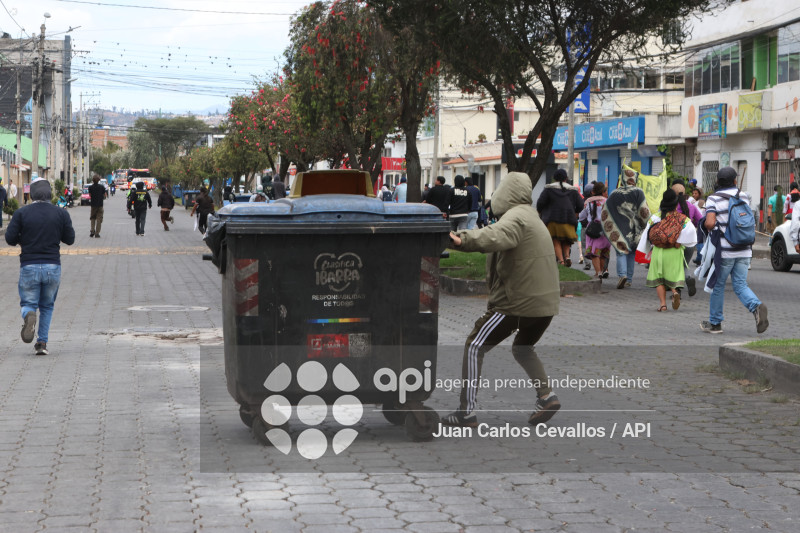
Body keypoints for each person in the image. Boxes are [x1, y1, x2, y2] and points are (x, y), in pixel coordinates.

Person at [442, 172, 561, 428]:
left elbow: (493, 236)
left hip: (516, 302)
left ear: (505, 193)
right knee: (523, 347)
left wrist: (460, 239)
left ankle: (466, 412)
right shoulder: (532, 217)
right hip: (545, 304)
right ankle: (546, 396)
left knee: (475, 345)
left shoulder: (515, 218)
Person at [5, 178, 75, 356]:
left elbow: (10, 238)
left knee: (29, 303)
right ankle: (42, 343)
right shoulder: (61, 213)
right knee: (47, 306)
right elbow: (70, 239)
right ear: (50, 193)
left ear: (32, 194)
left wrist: (23, 239)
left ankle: (29, 314)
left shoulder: (22, 213)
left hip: (29, 265)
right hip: (52, 266)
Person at [701, 166, 768, 334]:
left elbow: (709, 223)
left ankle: (715, 323)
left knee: (718, 285)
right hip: (745, 248)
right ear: (735, 181)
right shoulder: (743, 196)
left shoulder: (713, 199)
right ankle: (756, 306)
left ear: (717, 181)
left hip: (725, 251)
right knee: (740, 284)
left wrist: (706, 224)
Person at [637, 189, 697, 312]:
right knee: (672, 276)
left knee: (659, 279)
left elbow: (646, 236)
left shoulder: (655, 218)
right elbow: (691, 233)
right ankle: (675, 291)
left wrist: (644, 251)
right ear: (676, 204)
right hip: (674, 252)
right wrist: (678, 241)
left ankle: (663, 305)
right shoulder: (682, 219)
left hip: (659, 251)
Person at [601, 171, 650, 289]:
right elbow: (644, 210)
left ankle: (621, 275)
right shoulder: (638, 191)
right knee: (632, 252)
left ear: (623, 178)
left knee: (621, 251)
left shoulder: (614, 193)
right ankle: (628, 279)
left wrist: (609, 224)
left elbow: (606, 210)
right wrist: (647, 224)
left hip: (618, 227)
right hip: (634, 228)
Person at [536, 168, 584, 266]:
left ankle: (561, 261)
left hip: (552, 219)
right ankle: (567, 256)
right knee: (567, 239)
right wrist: (576, 212)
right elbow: (580, 204)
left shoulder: (549, 189)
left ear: (554, 178)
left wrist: (540, 211)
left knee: (556, 240)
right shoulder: (573, 190)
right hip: (569, 219)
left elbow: (540, 203)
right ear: (566, 178)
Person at [672, 182, 703, 295]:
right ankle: (688, 277)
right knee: (684, 264)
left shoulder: (669, 205)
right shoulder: (691, 206)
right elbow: (701, 220)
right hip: (689, 240)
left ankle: (677, 290)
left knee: (675, 266)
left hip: (674, 241)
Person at [579, 181, 611, 279]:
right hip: (605, 229)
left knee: (594, 253)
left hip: (593, 229)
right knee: (603, 253)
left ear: (593, 191)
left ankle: (598, 272)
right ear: (602, 191)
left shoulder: (588, 202)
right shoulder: (607, 202)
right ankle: (602, 270)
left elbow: (581, 216)